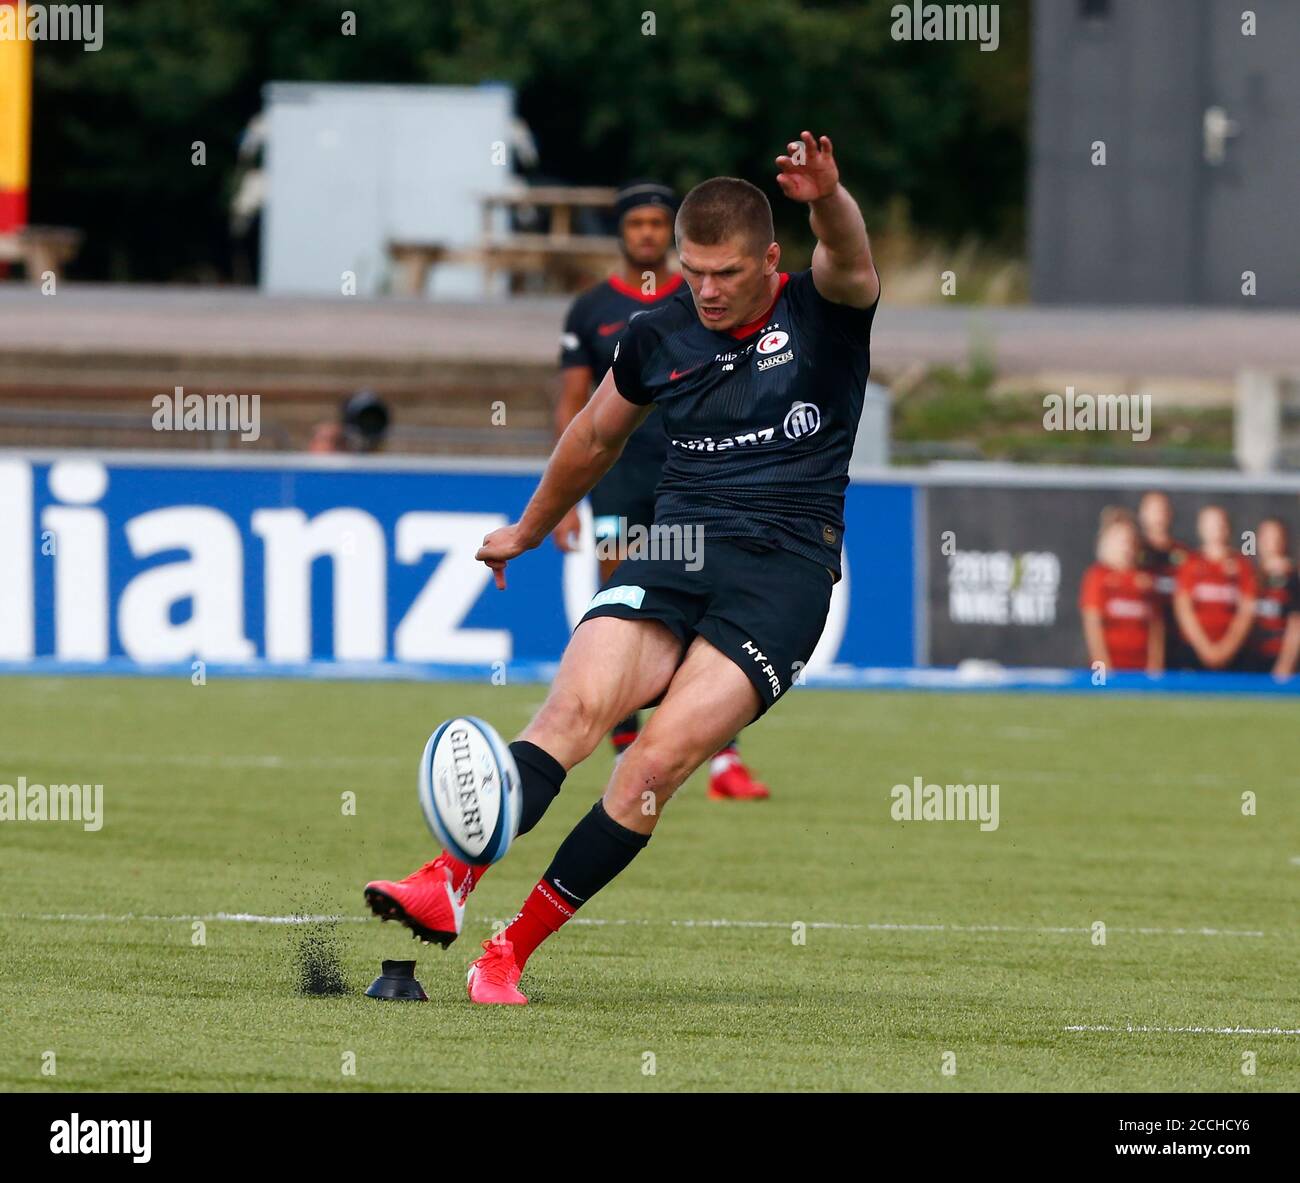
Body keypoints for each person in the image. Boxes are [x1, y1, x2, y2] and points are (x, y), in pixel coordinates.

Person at [364, 131, 881, 1004]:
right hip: (676, 547)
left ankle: (508, 954)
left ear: (770, 258)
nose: (706, 291)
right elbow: (597, 433)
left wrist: (828, 193)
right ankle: (445, 882)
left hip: (784, 575)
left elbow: (851, 251)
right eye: (693, 271)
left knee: (650, 769)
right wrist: (528, 528)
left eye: (725, 272)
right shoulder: (657, 333)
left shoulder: (823, 308)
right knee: (571, 709)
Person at [554, 180, 770, 799]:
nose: (646, 234)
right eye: (636, 224)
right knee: (621, 595)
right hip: (617, 479)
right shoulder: (591, 310)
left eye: (657, 224)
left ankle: (719, 755)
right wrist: (566, 496)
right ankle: (625, 741)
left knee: (701, 609)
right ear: (622, 233)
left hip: (689, 478)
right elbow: (577, 409)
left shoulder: (702, 303)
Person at [1173, 505, 1257, 671]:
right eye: (1210, 524)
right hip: (1194, 651)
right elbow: (1183, 609)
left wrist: (1227, 648)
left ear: (1228, 527)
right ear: (1201, 528)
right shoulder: (1190, 564)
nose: (1216, 529)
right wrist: (1204, 648)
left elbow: (1246, 610)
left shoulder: (1242, 566)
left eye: (1220, 524)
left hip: (1234, 654)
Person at [1079, 512, 1162, 673]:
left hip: (1140, 671)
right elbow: (1093, 627)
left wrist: (1155, 668)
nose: (1126, 546)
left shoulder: (1145, 580)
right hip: (1107, 669)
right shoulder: (1098, 576)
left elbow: (1156, 627)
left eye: (1130, 540)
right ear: (1107, 542)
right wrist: (1103, 670)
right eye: (1120, 540)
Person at [1135, 491, 1191, 669]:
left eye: (1162, 509)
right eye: (1153, 510)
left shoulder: (1183, 554)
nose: (1159, 515)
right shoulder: (1133, 552)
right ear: (1142, 514)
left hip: (1178, 634)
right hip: (1142, 636)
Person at [1244, 517, 1300, 677]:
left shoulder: (1293, 578)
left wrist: (1285, 665)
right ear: (1259, 540)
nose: (1272, 543)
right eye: (1267, 537)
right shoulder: (1249, 575)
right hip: (1249, 660)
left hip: (1280, 661)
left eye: (1277, 537)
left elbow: (1296, 624)